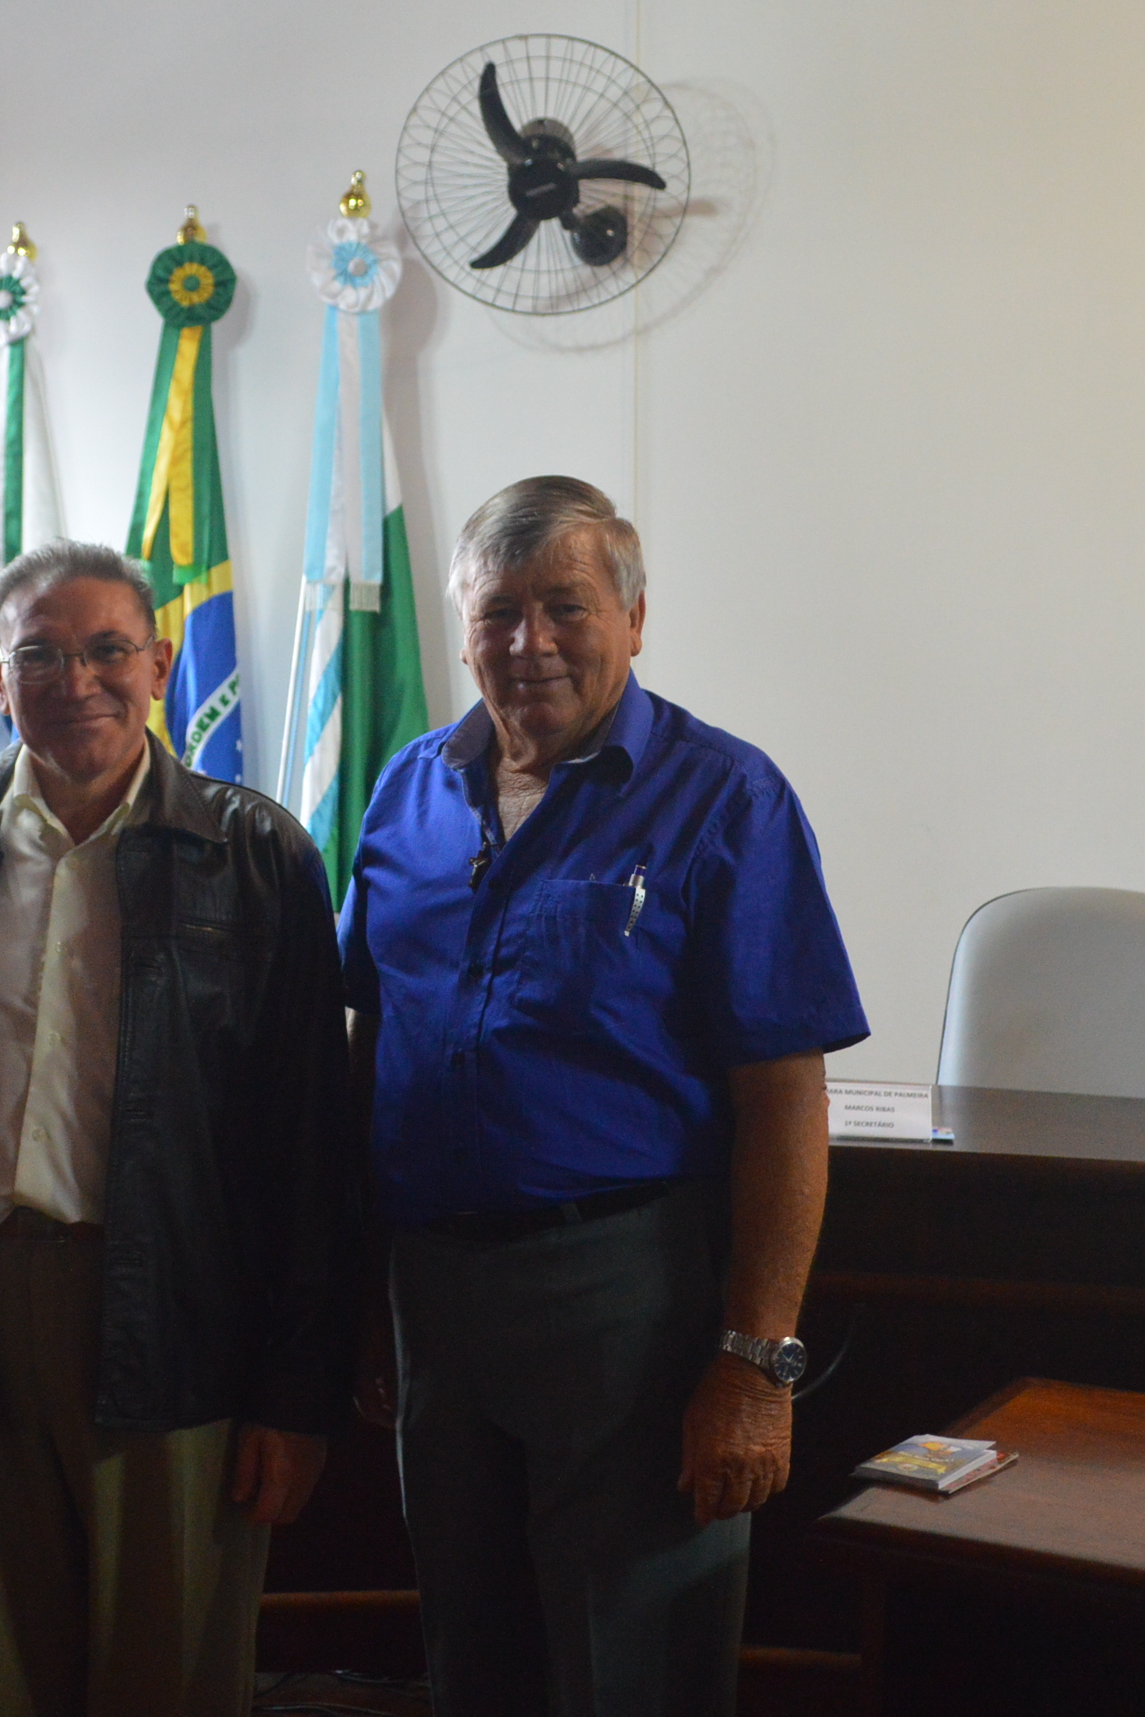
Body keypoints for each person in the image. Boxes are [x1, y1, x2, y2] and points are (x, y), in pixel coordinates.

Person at [342, 475, 867, 1717]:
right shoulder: (406, 790)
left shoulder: (725, 797)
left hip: (624, 1301)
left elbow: (785, 1100)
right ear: (462, 627)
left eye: (564, 607)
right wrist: (359, 1291)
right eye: (499, 612)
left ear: (633, 619)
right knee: (473, 1659)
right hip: (433, 1296)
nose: (528, 643)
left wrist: (753, 1365)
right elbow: (372, 1044)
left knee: (630, 1669)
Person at [0, 540, 355, 1717]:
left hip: (179, 1314)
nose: (78, 679)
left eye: (108, 648)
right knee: (6, 1678)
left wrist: (296, 1393)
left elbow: (311, 1150)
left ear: (159, 664)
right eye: (40, 655)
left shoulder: (254, 855)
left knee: (169, 1675)